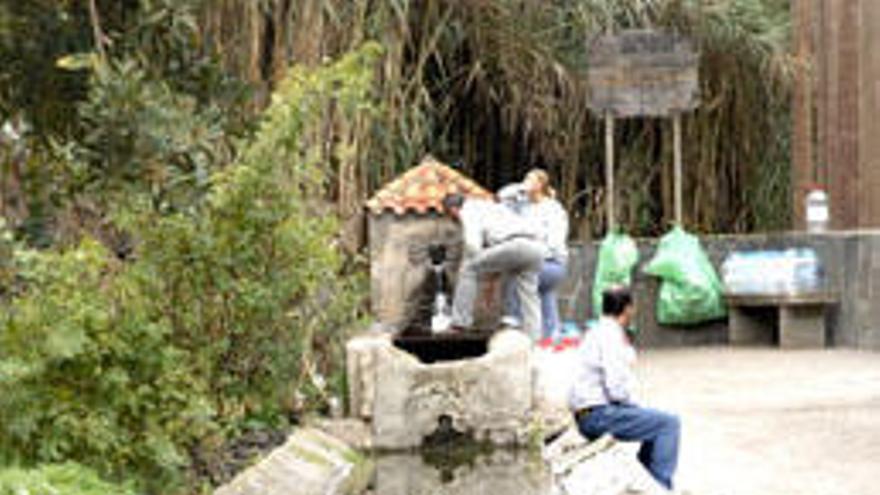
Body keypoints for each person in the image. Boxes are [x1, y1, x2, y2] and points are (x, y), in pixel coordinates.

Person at [568, 286, 681, 490]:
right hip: (597, 414)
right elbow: (617, 388)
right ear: (628, 309)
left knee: (654, 422)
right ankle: (660, 487)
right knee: (668, 424)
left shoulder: (596, 331)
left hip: (588, 412)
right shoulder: (610, 336)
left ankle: (646, 483)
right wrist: (636, 407)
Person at [441, 193, 545, 338]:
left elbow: (472, 244)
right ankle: (534, 338)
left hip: (514, 245)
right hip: (537, 248)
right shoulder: (492, 206)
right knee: (529, 295)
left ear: (453, 209)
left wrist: (476, 259)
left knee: (468, 268)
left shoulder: (468, 210)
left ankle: (459, 323)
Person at [498, 169, 569, 344]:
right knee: (544, 295)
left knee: (519, 277)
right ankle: (552, 334)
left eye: (531, 179)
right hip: (534, 260)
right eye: (525, 178)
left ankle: (515, 321)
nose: (526, 182)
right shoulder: (523, 206)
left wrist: (532, 249)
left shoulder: (553, 209)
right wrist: (521, 188)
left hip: (552, 263)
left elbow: (555, 242)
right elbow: (501, 196)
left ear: (541, 185)